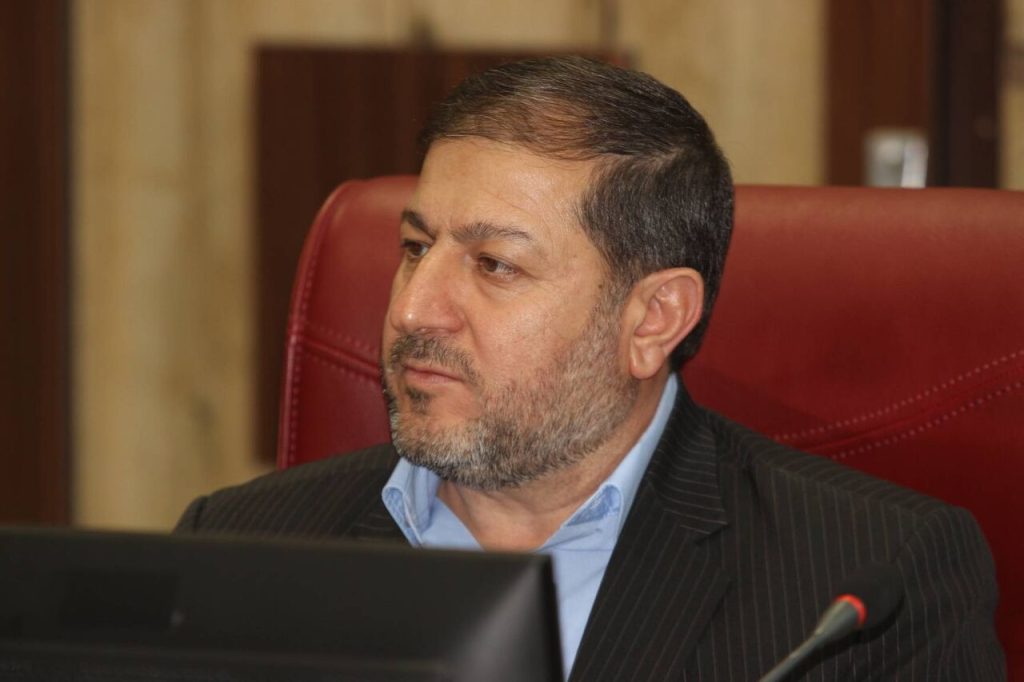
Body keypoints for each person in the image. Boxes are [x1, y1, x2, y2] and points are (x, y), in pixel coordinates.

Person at [177, 57, 1005, 681]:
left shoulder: (862, 590)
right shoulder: (238, 547)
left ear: (653, 319)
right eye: (416, 247)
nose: (414, 311)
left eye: (495, 265)